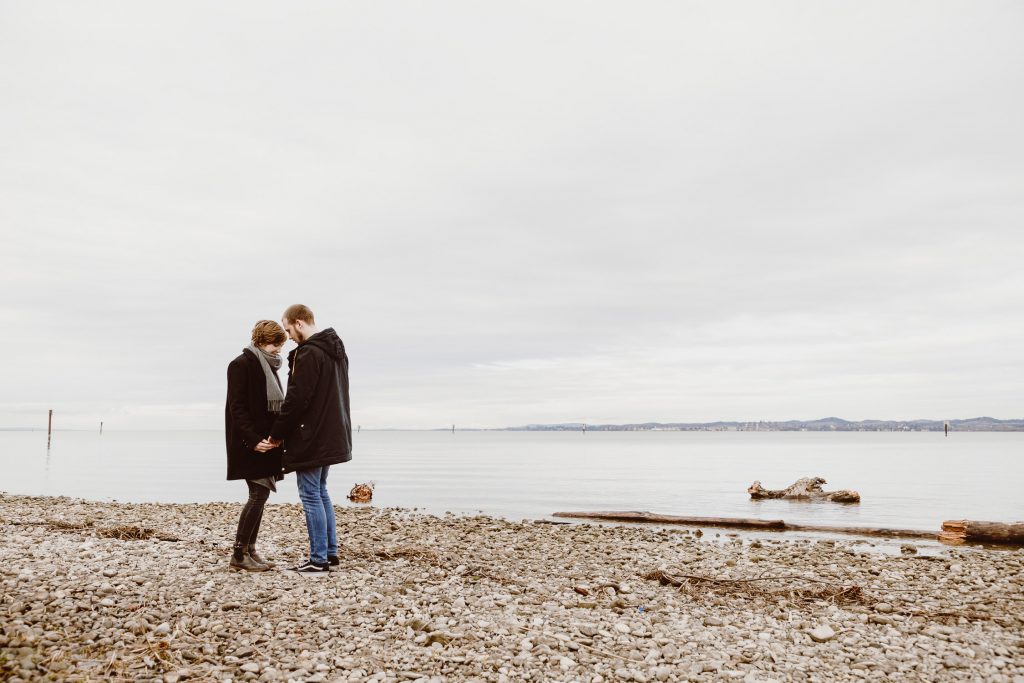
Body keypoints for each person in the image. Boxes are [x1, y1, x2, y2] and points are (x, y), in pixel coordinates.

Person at [261, 304, 352, 574]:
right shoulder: (335, 350)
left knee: (311, 494)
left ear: (299, 323)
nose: (288, 336)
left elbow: (297, 399)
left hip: (312, 434)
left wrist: (277, 434)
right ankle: (330, 553)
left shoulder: (309, 352)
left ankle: (318, 559)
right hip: (332, 432)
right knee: (321, 491)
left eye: (289, 329)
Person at [224, 320, 287, 571]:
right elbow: (236, 408)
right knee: (258, 494)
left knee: (262, 495)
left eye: (280, 346)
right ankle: (239, 554)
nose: (277, 351)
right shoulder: (240, 365)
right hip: (249, 443)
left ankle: (250, 550)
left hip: (267, 443)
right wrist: (252, 441)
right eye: (274, 345)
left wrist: (277, 434)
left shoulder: (269, 366)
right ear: (261, 341)